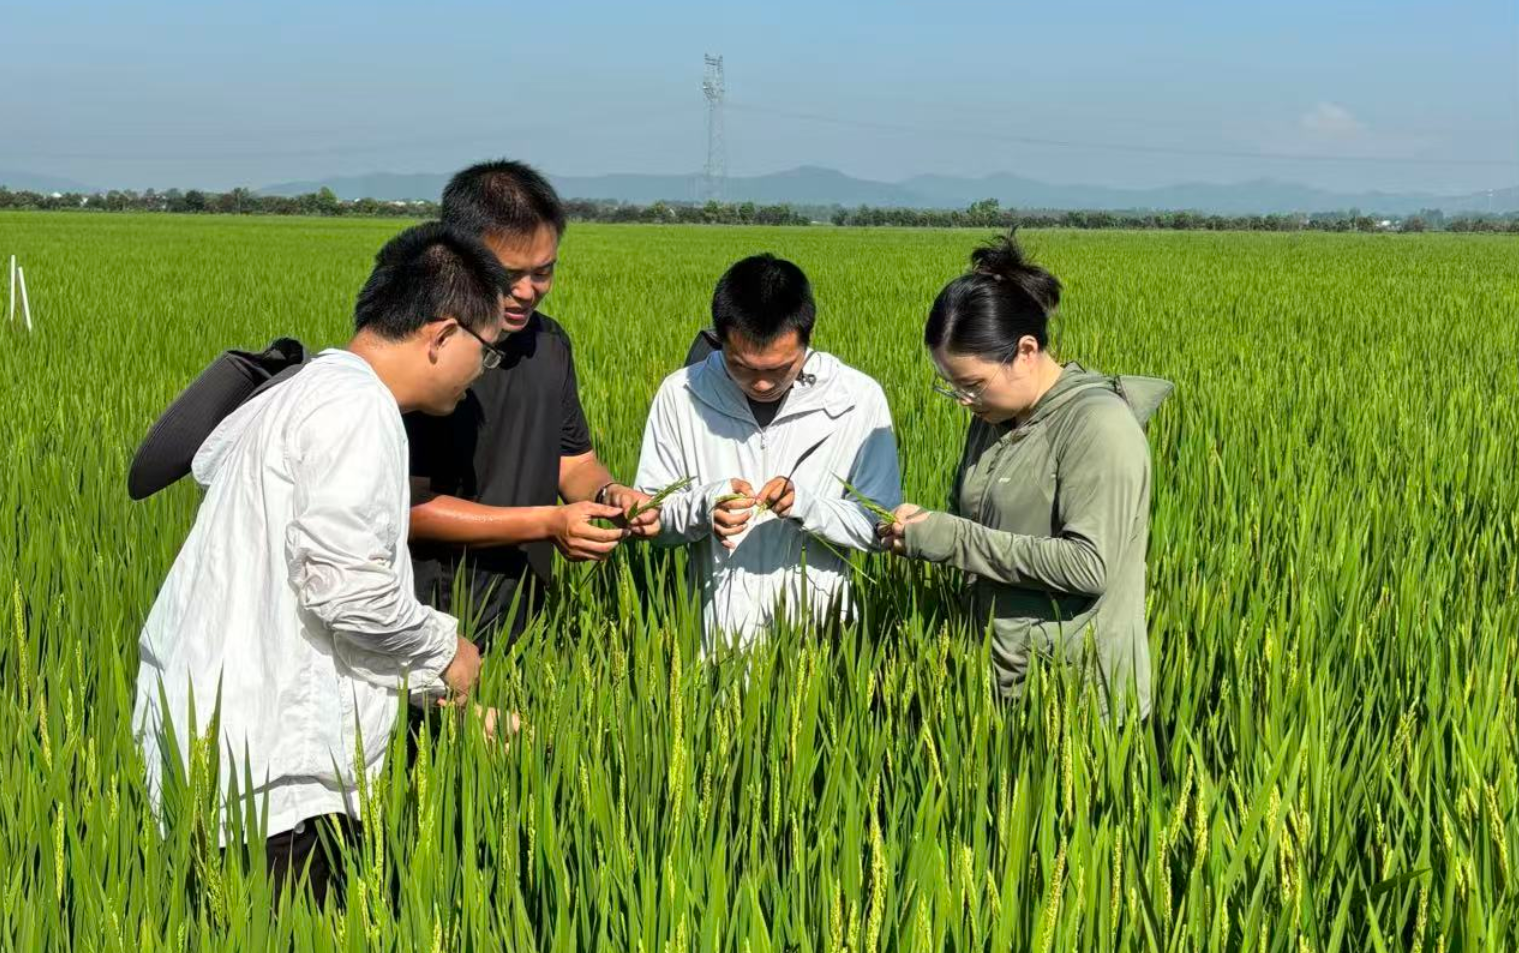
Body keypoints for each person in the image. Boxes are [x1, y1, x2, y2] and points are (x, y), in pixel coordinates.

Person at [133, 222, 509, 904]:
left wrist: (438, 696)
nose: (480, 372)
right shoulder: (358, 409)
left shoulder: (300, 392)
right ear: (442, 334)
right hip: (274, 782)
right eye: (485, 352)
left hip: (216, 750)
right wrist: (443, 649)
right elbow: (348, 592)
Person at [879, 232, 1171, 718]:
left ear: (1027, 350)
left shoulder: (1098, 426)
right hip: (1001, 679)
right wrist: (926, 528)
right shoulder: (994, 417)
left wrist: (951, 539)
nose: (964, 400)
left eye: (973, 384)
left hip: (1077, 699)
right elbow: (984, 525)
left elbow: (1089, 566)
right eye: (951, 386)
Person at [406, 160, 658, 649]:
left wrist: (610, 496)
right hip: (429, 619)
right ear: (457, 258)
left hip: (524, 608)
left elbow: (573, 460)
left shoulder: (548, 344)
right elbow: (403, 508)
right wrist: (545, 522)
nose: (526, 291)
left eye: (543, 272)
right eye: (508, 274)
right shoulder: (421, 352)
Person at [635, 253, 902, 648]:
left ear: (807, 338)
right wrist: (705, 506)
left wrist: (805, 506)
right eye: (741, 366)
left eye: (779, 369)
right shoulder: (683, 394)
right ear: (720, 339)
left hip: (821, 637)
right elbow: (650, 517)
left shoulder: (856, 398)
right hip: (713, 634)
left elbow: (880, 526)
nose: (761, 384)